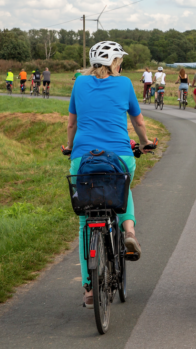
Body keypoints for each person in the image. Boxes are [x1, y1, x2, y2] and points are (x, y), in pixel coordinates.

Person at [66, 40, 153, 308]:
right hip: (119, 155)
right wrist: (146, 141)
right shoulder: (125, 83)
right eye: (120, 61)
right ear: (114, 63)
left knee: (85, 220)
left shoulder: (79, 83)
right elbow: (138, 121)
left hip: (83, 158)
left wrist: (70, 148)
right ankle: (129, 230)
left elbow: (72, 121)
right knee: (122, 190)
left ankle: (89, 288)